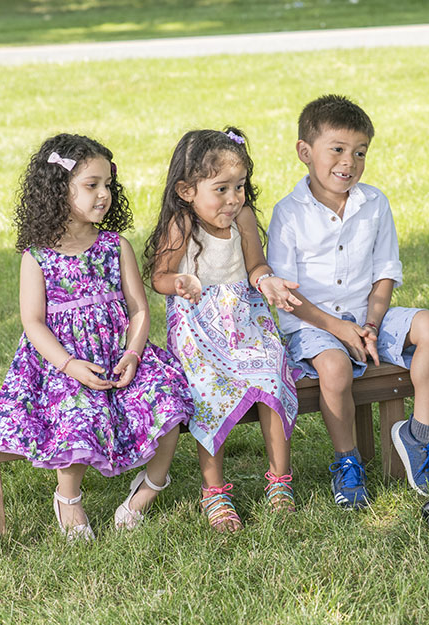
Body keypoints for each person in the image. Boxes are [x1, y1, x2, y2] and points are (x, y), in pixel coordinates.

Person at [0, 133, 193, 541]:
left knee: (169, 399)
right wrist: (69, 365)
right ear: (57, 190)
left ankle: (148, 490)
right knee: (76, 414)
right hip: (62, 362)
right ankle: (68, 498)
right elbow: (33, 322)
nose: (104, 195)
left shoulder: (115, 246)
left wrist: (134, 355)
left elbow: (138, 308)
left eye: (108, 185)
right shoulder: (38, 256)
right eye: (91, 185)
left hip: (120, 354)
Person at [266, 94, 429, 509]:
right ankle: (348, 461)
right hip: (313, 326)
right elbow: (287, 295)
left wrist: (370, 323)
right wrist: (339, 329)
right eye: (338, 150)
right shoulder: (289, 213)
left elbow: (385, 273)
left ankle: (419, 436)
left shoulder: (374, 204)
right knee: (334, 365)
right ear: (305, 152)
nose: (349, 162)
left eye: (360, 152)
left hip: (367, 318)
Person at [143, 128, 300, 532]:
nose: (233, 199)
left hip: (245, 321)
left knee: (272, 372)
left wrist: (267, 282)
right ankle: (214, 491)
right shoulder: (182, 226)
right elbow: (159, 276)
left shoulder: (242, 218)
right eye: (222, 189)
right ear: (187, 190)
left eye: (240, 187)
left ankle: (280, 480)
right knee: (208, 389)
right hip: (198, 328)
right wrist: (179, 282)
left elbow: (255, 266)